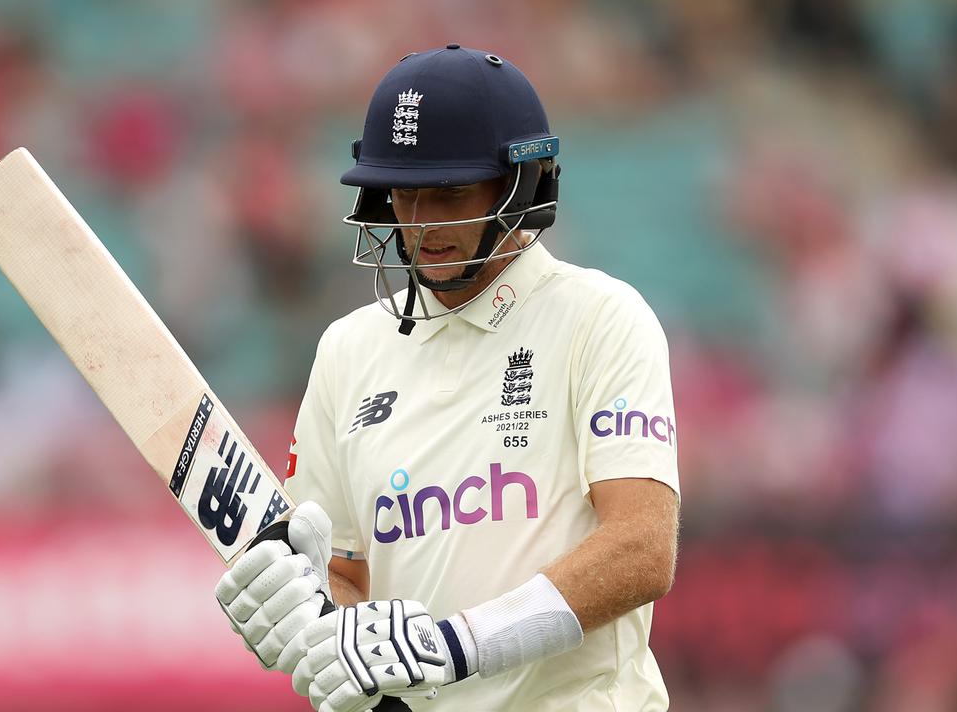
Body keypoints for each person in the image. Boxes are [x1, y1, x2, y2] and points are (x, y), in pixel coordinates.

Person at [216, 44, 681, 712]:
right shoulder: (348, 350)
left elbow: (641, 548)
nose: (420, 223)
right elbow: (347, 574)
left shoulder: (600, 319)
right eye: (404, 193)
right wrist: (311, 621)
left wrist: (457, 646)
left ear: (522, 184)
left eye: (450, 193)